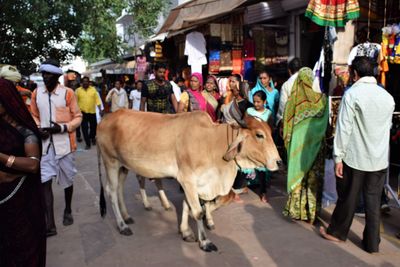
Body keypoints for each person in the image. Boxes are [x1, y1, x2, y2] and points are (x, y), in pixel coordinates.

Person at [319, 57, 395, 253]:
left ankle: (337, 233)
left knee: (348, 198)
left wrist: (338, 157)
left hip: (356, 157)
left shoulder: (352, 94)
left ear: (354, 73)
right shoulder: (387, 97)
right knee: (373, 202)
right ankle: (372, 244)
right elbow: (385, 127)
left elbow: (344, 128)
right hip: (378, 159)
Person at [30, 59, 82, 236]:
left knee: (67, 181)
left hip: (64, 146)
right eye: (43, 73)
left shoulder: (67, 93)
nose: (44, 77)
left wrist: (61, 128)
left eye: (48, 74)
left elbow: (78, 117)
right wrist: (38, 128)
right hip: (44, 147)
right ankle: (50, 223)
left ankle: (67, 209)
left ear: (57, 76)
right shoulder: (36, 93)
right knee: (45, 182)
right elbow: (34, 115)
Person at [0, 78, 46, 266]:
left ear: (7, 100)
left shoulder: (25, 132)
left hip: (22, 199)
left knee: (25, 250)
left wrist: (2, 159)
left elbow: (33, 165)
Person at [282, 67, 328, 224]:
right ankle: (311, 212)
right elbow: (326, 126)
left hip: (297, 148)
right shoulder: (322, 100)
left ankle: (296, 211)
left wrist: (289, 144)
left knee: (299, 178)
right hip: (316, 148)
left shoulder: (291, 102)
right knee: (314, 179)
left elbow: (286, 128)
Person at [220, 74, 253, 203]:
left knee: (240, 162)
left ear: (239, 85)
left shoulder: (247, 104)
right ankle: (228, 188)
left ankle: (236, 189)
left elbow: (248, 123)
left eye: (233, 82)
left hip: (239, 135)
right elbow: (220, 114)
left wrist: (238, 125)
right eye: (230, 81)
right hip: (226, 133)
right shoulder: (226, 99)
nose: (231, 84)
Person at [246, 90, 272, 203]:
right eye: (254, 102)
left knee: (262, 169)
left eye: (258, 102)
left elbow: (270, 130)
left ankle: (263, 192)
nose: (256, 104)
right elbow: (245, 124)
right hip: (251, 144)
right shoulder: (249, 111)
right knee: (246, 167)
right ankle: (244, 187)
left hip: (262, 146)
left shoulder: (268, 113)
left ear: (264, 101)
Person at [75, 76, 102, 149]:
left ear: (89, 82)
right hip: (82, 113)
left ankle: (92, 137)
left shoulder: (93, 90)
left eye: (87, 81)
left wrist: (100, 110)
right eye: (84, 81)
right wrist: (75, 112)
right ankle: (88, 143)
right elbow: (75, 102)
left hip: (92, 112)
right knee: (84, 128)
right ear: (82, 82)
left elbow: (97, 100)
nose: (85, 83)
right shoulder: (78, 91)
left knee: (94, 127)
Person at [276, 58, 303, 126]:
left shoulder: (286, 85)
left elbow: (283, 106)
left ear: (289, 71)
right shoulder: (311, 81)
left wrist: (280, 121)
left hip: (294, 121)